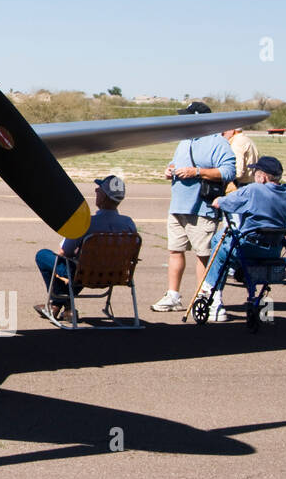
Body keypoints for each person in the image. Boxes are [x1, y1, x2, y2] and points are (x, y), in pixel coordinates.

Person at [152, 101, 237, 312]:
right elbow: (175, 164)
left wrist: (197, 172)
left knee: (203, 254)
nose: (183, 120)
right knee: (175, 250)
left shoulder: (218, 142)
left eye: (188, 116)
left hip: (202, 208)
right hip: (178, 206)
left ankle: (204, 298)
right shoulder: (184, 141)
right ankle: (173, 295)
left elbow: (228, 172)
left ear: (199, 118)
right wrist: (169, 170)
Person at [197, 156, 286, 321]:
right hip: (275, 249)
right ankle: (237, 282)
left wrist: (218, 200)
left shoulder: (253, 190)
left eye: (256, 172)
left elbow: (227, 202)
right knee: (229, 245)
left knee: (218, 242)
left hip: (249, 247)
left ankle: (212, 294)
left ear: (262, 176)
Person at [34, 175, 137, 321]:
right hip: (116, 275)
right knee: (82, 265)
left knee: (43, 255)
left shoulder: (87, 223)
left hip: (85, 275)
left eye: (99, 190)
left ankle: (56, 304)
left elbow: (64, 252)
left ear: (104, 197)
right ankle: (65, 307)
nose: (96, 191)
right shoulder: (128, 223)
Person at [222, 126, 259, 192]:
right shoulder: (247, 139)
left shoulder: (237, 143)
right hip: (251, 182)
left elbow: (238, 172)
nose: (222, 135)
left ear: (232, 130)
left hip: (242, 185)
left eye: (223, 132)